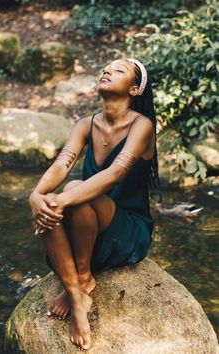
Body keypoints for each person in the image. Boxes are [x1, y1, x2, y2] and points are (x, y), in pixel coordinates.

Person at [29, 58, 159, 351]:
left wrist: (59, 199)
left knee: (70, 191)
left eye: (119, 70)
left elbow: (116, 172)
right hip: (85, 228)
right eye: (106, 67)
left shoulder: (142, 125)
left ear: (135, 88)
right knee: (53, 199)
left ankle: (83, 276)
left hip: (127, 229)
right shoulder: (86, 124)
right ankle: (77, 294)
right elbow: (62, 164)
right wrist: (36, 195)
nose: (106, 70)